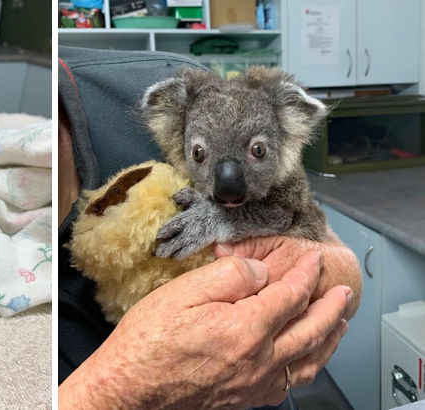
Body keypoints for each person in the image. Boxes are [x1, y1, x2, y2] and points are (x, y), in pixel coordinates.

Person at [57, 46, 362, 409]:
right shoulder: (177, 107)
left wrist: (226, 221)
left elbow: (311, 233)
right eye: (199, 155)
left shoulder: (169, 76)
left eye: (259, 152)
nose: (227, 181)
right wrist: (114, 392)